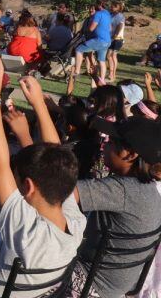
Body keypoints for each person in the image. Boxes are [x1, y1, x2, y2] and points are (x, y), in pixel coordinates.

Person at [0, 57, 86, 298]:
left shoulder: (28, 232)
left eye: (15, 179)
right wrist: (38, 106)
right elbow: (57, 155)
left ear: (27, 186)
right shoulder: (74, 222)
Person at [69, 115, 161, 297]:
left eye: (111, 141)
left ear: (131, 154)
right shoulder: (148, 188)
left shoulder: (122, 189)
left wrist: (25, 135)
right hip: (114, 285)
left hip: (90, 284)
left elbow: (55, 189)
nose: (105, 145)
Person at [73, 0, 112, 84]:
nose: (95, 7)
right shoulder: (108, 13)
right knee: (101, 60)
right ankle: (102, 80)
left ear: (100, 4)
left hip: (99, 40)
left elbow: (91, 28)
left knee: (79, 49)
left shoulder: (98, 14)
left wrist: (85, 30)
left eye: (96, 5)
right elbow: (110, 28)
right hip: (107, 40)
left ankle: (77, 71)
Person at [107, 0, 126, 83]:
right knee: (109, 56)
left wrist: (115, 35)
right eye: (112, 6)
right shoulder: (110, 15)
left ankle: (113, 74)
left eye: (114, 6)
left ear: (119, 8)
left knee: (112, 56)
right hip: (111, 38)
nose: (112, 7)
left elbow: (120, 25)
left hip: (118, 39)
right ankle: (111, 74)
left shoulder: (120, 16)